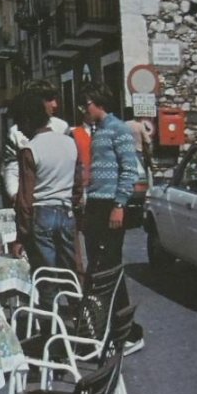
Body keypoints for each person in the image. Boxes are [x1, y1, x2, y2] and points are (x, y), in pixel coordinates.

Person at [82, 86, 144, 352]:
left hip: (110, 205)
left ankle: (129, 333)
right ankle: (107, 329)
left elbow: (130, 170)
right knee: (99, 269)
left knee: (110, 269)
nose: (84, 110)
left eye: (87, 104)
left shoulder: (119, 129)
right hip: (96, 205)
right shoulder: (98, 131)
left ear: (98, 103)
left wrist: (119, 205)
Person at [10, 91, 82, 273]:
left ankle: (49, 293)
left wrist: (21, 236)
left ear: (28, 121)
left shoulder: (29, 150)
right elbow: (78, 184)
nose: (19, 130)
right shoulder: (70, 143)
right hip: (66, 212)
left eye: (20, 124)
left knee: (46, 274)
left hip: (42, 214)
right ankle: (74, 292)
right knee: (69, 272)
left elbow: (25, 198)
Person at [2, 83, 70, 205]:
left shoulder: (62, 128)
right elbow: (12, 168)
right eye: (49, 100)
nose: (55, 105)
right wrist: (15, 195)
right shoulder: (16, 133)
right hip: (30, 200)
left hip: (60, 200)